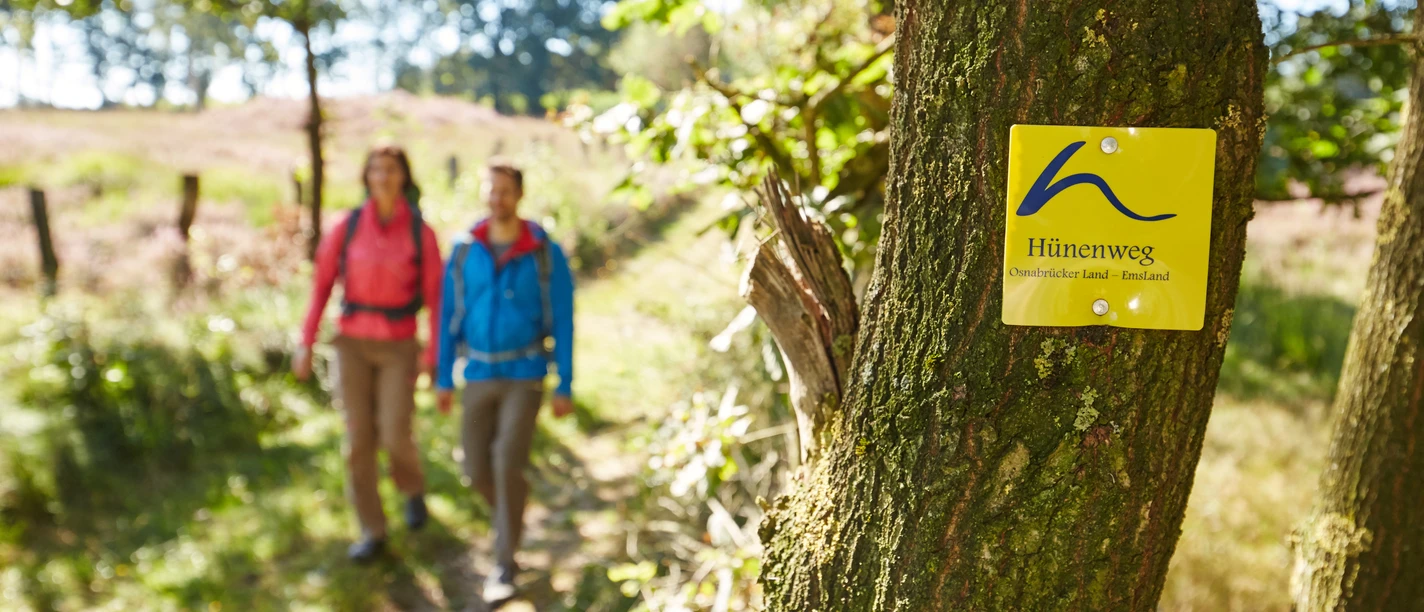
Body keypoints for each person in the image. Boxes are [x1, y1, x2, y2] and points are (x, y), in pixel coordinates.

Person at [294, 144, 443, 563]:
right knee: (359, 441)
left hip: (399, 345)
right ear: (366, 176)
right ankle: (373, 532)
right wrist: (305, 342)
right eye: (375, 169)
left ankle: (411, 486)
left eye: (391, 169)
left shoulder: (420, 231)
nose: (383, 176)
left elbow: (437, 298)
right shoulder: (347, 226)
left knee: (395, 432)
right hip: (351, 344)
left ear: (403, 177)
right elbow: (321, 285)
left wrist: (434, 354)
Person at [435, 162, 574, 602]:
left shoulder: (543, 250)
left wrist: (564, 382)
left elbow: (565, 319)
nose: (497, 198)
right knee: (475, 469)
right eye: (491, 190)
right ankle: (513, 510)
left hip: (526, 372)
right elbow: (446, 318)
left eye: (506, 191)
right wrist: (442, 376)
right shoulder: (463, 249)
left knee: (505, 463)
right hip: (477, 371)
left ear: (519, 195)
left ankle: (503, 564)